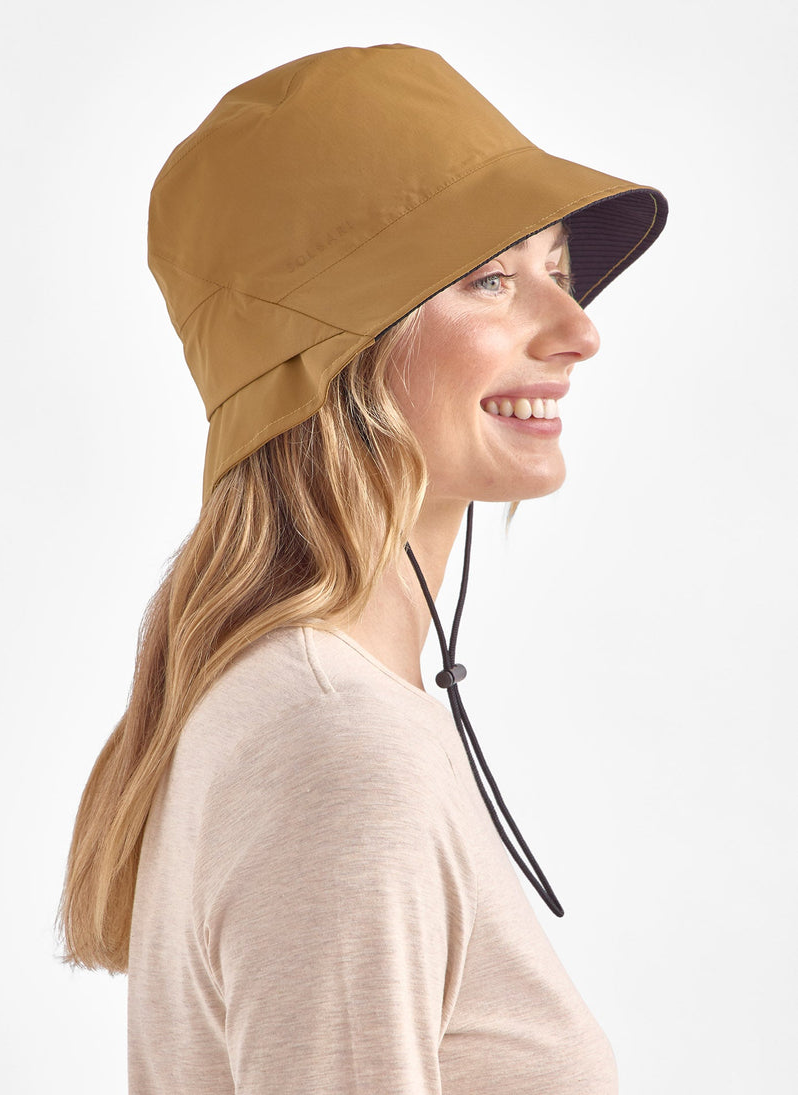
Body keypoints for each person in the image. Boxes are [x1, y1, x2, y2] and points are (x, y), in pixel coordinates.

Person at [58, 43, 668, 1094]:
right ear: (341, 359)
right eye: (492, 279)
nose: (578, 330)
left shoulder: (307, 710)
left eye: (558, 273)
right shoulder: (337, 750)